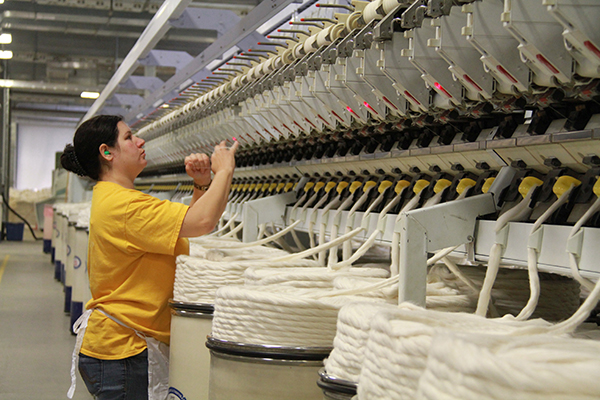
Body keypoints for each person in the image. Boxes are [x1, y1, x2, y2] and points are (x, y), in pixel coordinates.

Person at [61, 114, 238, 400]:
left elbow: (182, 230)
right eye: (129, 137)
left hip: (124, 347)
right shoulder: (123, 205)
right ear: (107, 152)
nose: (140, 141)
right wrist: (225, 171)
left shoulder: (117, 198)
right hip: (123, 352)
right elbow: (203, 221)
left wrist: (202, 184)